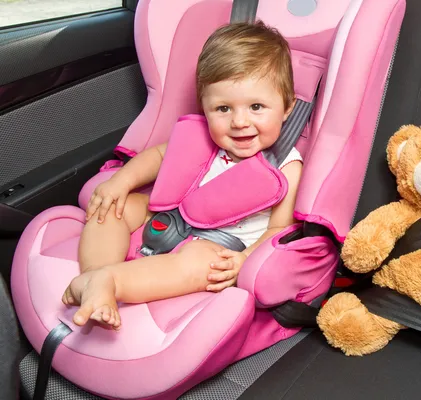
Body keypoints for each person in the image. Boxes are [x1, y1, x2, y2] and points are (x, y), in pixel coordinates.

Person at [61, 21, 302, 331]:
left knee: (201, 264)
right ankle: (94, 275)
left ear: (286, 107)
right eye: (223, 108)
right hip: (172, 214)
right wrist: (120, 182)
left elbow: (278, 229)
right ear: (204, 106)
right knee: (111, 209)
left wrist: (245, 260)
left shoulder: (286, 167)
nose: (240, 121)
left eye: (257, 107)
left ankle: (113, 282)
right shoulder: (203, 137)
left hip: (220, 243)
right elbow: (159, 156)